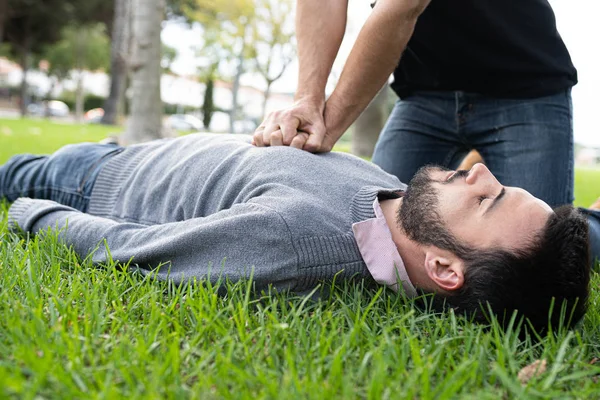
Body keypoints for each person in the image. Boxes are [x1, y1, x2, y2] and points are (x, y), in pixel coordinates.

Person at [0, 134, 592, 333]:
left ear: (443, 267)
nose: (480, 170)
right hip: (132, 153)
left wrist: (29, 213)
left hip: (91, 181)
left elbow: (128, 251)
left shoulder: (299, 241)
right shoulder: (396, 203)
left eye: (485, 199)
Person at [253, 0, 577, 207]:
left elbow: (402, 6)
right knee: (370, 218)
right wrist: (307, 100)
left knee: (540, 242)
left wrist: (327, 126)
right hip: (425, 93)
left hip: (525, 89)